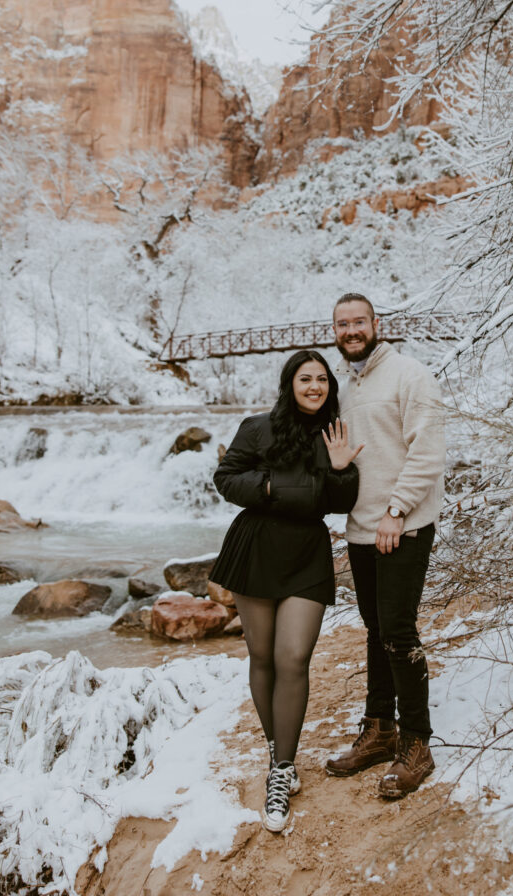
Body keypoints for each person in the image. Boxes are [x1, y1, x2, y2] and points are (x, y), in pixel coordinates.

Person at [210, 349, 361, 832]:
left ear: (330, 387)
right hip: (256, 546)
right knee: (263, 658)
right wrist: (271, 487)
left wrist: (340, 469)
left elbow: (341, 503)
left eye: (322, 379)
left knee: (293, 656)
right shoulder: (258, 427)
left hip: (306, 554)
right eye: (305, 379)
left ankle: (281, 768)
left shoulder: (335, 432)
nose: (314, 386)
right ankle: (281, 756)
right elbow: (226, 477)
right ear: (289, 383)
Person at [325, 293, 445, 798]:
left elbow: (429, 450)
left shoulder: (409, 374)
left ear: (376, 324)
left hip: (403, 525)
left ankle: (417, 742)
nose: (351, 330)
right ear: (334, 331)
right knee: (376, 630)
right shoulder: (345, 388)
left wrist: (397, 511)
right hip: (361, 529)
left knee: (398, 629)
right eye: (341, 324)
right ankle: (380, 729)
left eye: (359, 322)